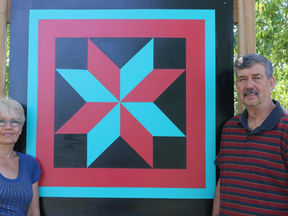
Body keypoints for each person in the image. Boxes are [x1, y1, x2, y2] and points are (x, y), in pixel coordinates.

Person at [212, 54, 288, 215]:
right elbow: (223, 182)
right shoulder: (230, 128)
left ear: (271, 83)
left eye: (256, 77)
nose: (249, 85)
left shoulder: (286, 129)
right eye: (242, 79)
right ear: (237, 86)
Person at [0, 97, 41, 216]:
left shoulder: (30, 164)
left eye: (15, 122)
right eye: (1, 121)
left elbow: (33, 212)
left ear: (21, 129)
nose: (8, 127)